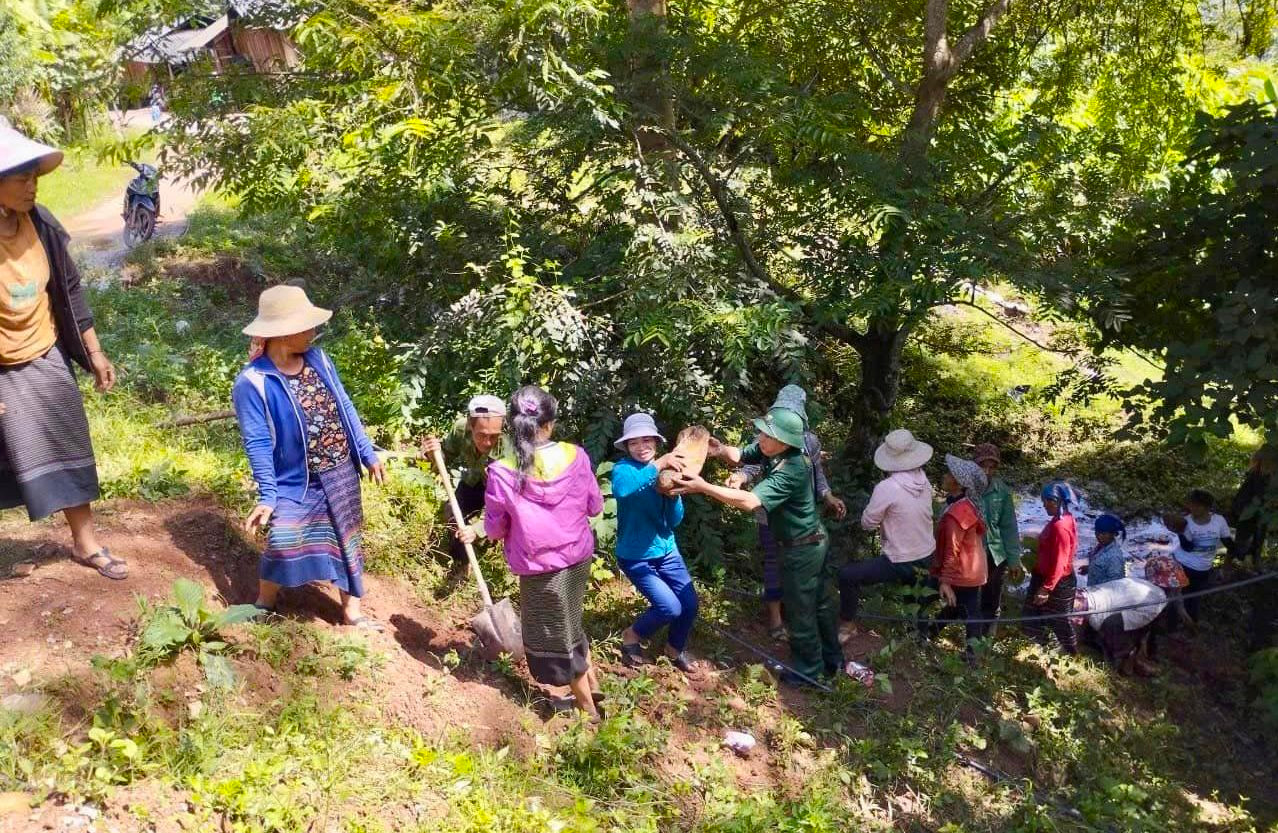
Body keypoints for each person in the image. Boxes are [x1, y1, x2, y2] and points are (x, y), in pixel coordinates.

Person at [0, 127, 123, 579]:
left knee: (70, 438)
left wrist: (94, 352)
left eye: (35, 177)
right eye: (21, 178)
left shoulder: (41, 223)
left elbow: (69, 289)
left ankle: (85, 543)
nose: (32, 186)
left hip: (44, 350)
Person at [232, 285, 386, 629]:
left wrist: (367, 452)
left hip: (341, 471)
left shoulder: (320, 360)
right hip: (296, 481)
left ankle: (352, 614)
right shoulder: (253, 382)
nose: (313, 332)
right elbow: (257, 442)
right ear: (283, 333)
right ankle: (264, 604)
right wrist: (268, 496)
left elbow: (345, 407)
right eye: (306, 326)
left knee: (348, 537)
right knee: (283, 538)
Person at [672, 407, 841, 687]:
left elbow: (749, 502)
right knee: (820, 602)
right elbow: (741, 454)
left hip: (802, 548)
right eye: (762, 431)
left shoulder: (793, 468)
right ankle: (832, 659)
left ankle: (809, 671)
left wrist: (703, 487)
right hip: (810, 539)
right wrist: (720, 449)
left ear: (785, 442)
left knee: (801, 609)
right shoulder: (771, 449)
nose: (760, 438)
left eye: (767, 434)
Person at [483, 385, 604, 718]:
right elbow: (595, 506)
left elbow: (494, 529)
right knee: (571, 620)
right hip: (578, 557)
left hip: (540, 568)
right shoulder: (576, 456)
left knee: (557, 637)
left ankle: (587, 710)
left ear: (513, 423)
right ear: (550, 422)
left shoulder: (502, 470)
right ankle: (593, 686)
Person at [730, 385, 846, 640]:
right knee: (773, 562)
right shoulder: (767, 435)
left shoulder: (809, 441)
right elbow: (752, 462)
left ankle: (804, 622)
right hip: (769, 512)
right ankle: (775, 619)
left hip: (800, 518)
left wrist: (828, 497)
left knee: (803, 570)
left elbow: (817, 474)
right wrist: (739, 475)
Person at [611, 412, 697, 672]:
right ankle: (631, 636)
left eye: (647, 441)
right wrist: (659, 465)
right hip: (636, 556)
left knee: (689, 604)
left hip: (667, 550)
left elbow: (674, 521)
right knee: (669, 607)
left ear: (657, 443)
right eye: (635, 442)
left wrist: (672, 497)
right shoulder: (624, 470)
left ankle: (674, 649)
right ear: (627, 446)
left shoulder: (666, 472)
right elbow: (623, 490)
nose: (642, 447)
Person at [837, 429, 935, 642]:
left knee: (848, 576)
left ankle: (847, 625)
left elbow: (867, 523)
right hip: (927, 554)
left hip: (899, 558)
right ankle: (919, 641)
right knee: (916, 601)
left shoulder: (887, 487)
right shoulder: (924, 480)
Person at [420, 394, 509, 568]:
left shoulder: (508, 450)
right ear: (470, 425)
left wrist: (477, 530)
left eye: (494, 436)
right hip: (473, 481)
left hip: (499, 492)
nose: (487, 442)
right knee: (453, 515)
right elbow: (443, 459)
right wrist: (433, 453)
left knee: (481, 530)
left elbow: (505, 505)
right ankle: (459, 564)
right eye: (481, 435)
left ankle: (485, 557)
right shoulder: (460, 429)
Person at [927, 455, 989, 659]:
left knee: (962, 608)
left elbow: (952, 549)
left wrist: (945, 580)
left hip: (962, 570)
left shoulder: (958, 512)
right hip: (972, 569)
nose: (944, 476)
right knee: (961, 608)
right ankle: (930, 634)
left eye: (948, 474)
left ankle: (971, 655)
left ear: (958, 482)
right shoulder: (964, 504)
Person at [1022, 482, 1079, 654]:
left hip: (1056, 581)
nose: (1045, 504)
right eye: (1044, 500)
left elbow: (1060, 561)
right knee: (1034, 613)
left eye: (1050, 501)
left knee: (1059, 619)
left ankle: (1068, 653)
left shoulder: (1060, 526)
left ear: (1061, 502)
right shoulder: (1062, 520)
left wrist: (1046, 588)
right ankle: (1039, 647)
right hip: (1047, 577)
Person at [971, 444, 1022, 631]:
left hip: (995, 554)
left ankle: (984, 642)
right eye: (983, 466)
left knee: (991, 600)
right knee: (967, 597)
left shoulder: (1001, 492)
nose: (987, 471)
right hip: (971, 552)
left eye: (992, 467)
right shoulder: (966, 487)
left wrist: (1014, 559)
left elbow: (1009, 526)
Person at [1072, 577, 1166, 676]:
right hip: (1094, 607)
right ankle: (1121, 664)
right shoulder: (1156, 601)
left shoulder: (1143, 584)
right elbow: (1120, 623)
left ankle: (1124, 662)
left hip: (1089, 598)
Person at [1169, 489, 1233, 624]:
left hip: (1204, 568)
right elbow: (1188, 547)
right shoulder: (1185, 522)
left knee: (1194, 597)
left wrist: (1222, 565)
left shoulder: (1219, 521)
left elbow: (1227, 543)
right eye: (1191, 505)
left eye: (1197, 506)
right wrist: (1180, 532)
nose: (1193, 508)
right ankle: (1174, 623)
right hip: (1183, 565)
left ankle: (1191, 622)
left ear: (1208, 507)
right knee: (1179, 596)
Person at [1229, 446, 1276, 563]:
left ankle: (1254, 562)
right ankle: (1231, 566)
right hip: (1246, 511)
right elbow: (1258, 495)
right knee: (1242, 542)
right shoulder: (1256, 474)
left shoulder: (1268, 474)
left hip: (1261, 513)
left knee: (1258, 539)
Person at [1082, 514, 1126, 588]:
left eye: (1103, 534)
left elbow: (1115, 585)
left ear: (1113, 534)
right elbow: (1102, 567)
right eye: (1097, 533)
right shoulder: (1100, 547)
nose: (1099, 536)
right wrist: (1090, 568)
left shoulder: (1114, 557)